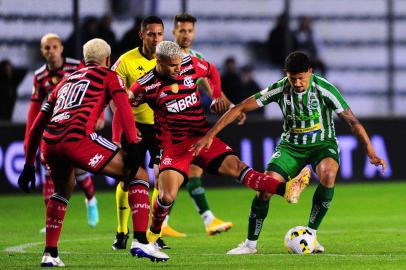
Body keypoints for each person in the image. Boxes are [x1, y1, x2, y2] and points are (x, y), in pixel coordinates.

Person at [122, 41, 311, 253]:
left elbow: (211, 71)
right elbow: (125, 104)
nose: (178, 68)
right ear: (159, 62)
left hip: (201, 137)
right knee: (166, 196)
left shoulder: (189, 64)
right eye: (172, 66)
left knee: (238, 167)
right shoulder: (145, 85)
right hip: (173, 146)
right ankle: (153, 236)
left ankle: (286, 189)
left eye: (179, 64)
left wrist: (216, 95)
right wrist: (130, 128)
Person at [193, 51, 387, 255]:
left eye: (301, 78)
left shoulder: (324, 88)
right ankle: (250, 245)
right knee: (264, 190)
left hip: (322, 144)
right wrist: (210, 134)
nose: (297, 83)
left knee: (328, 173)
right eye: (292, 78)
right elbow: (240, 107)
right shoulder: (279, 88)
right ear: (286, 74)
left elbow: (352, 121)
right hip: (290, 147)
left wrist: (370, 151)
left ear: (310, 72)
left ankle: (311, 234)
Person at [18, 38, 169, 267]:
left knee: (63, 189)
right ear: (107, 60)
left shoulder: (64, 82)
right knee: (138, 174)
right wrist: (132, 141)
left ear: (84, 60)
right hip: (77, 138)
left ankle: (50, 253)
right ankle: (140, 241)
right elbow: (124, 107)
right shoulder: (110, 76)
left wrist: (29, 164)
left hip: (51, 142)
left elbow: (37, 125)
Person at [110, 16, 178, 250]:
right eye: (151, 34)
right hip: (135, 127)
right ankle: (121, 230)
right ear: (141, 35)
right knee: (130, 179)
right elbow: (115, 97)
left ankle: (152, 233)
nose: (156, 38)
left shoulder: (169, 60)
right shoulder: (125, 62)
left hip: (161, 128)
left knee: (161, 177)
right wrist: (121, 129)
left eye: (159, 34)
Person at [25, 33, 100, 230]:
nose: (51, 51)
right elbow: (34, 110)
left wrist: (98, 115)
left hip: (75, 126)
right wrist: (31, 137)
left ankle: (91, 201)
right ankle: (50, 220)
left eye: (54, 47)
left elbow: (96, 88)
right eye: (47, 48)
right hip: (51, 130)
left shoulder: (77, 66)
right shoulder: (39, 76)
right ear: (42, 51)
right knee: (49, 174)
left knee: (80, 172)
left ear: (61, 48)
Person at [171, 12, 234, 235]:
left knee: (192, 170)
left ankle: (207, 220)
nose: (186, 35)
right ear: (173, 32)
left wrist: (232, 107)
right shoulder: (166, 57)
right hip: (167, 126)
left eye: (189, 31)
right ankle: (150, 228)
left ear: (194, 32)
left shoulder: (197, 57)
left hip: (190, 125)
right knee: (168, 176)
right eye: (182, 30)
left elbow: (212, 87)